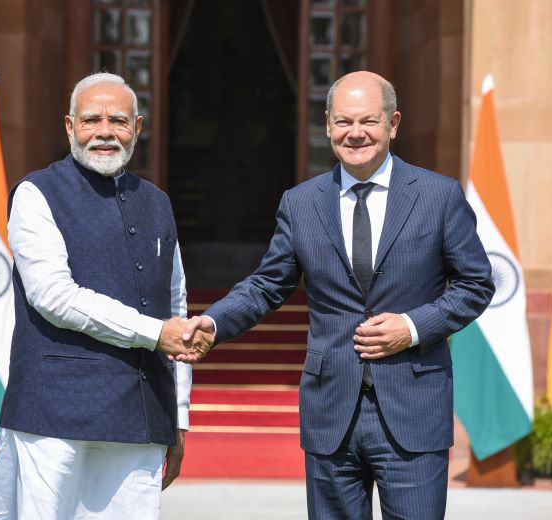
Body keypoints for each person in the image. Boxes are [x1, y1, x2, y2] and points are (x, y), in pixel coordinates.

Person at [183, 71, 494, 519]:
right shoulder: (301, 203)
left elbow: (476, 284)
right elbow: (267, 285)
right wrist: (211, 323)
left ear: (393, 123)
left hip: (413, 409)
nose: (356, 133)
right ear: (327, 125)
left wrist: (411, 327)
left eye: (369, 120)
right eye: (344, 121)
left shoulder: (438, 196)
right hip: (332, 413)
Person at [0, 72, 211, 520]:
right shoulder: (35, 193)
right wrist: (154, 333)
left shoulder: (157, 202)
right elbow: (53, 295)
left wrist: (179, 417)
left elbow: (177, 309)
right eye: (91, 120)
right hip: (55, 411)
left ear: (138, 127)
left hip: (142, 412)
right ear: (69, 127)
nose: (105, 131)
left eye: (118, 121)